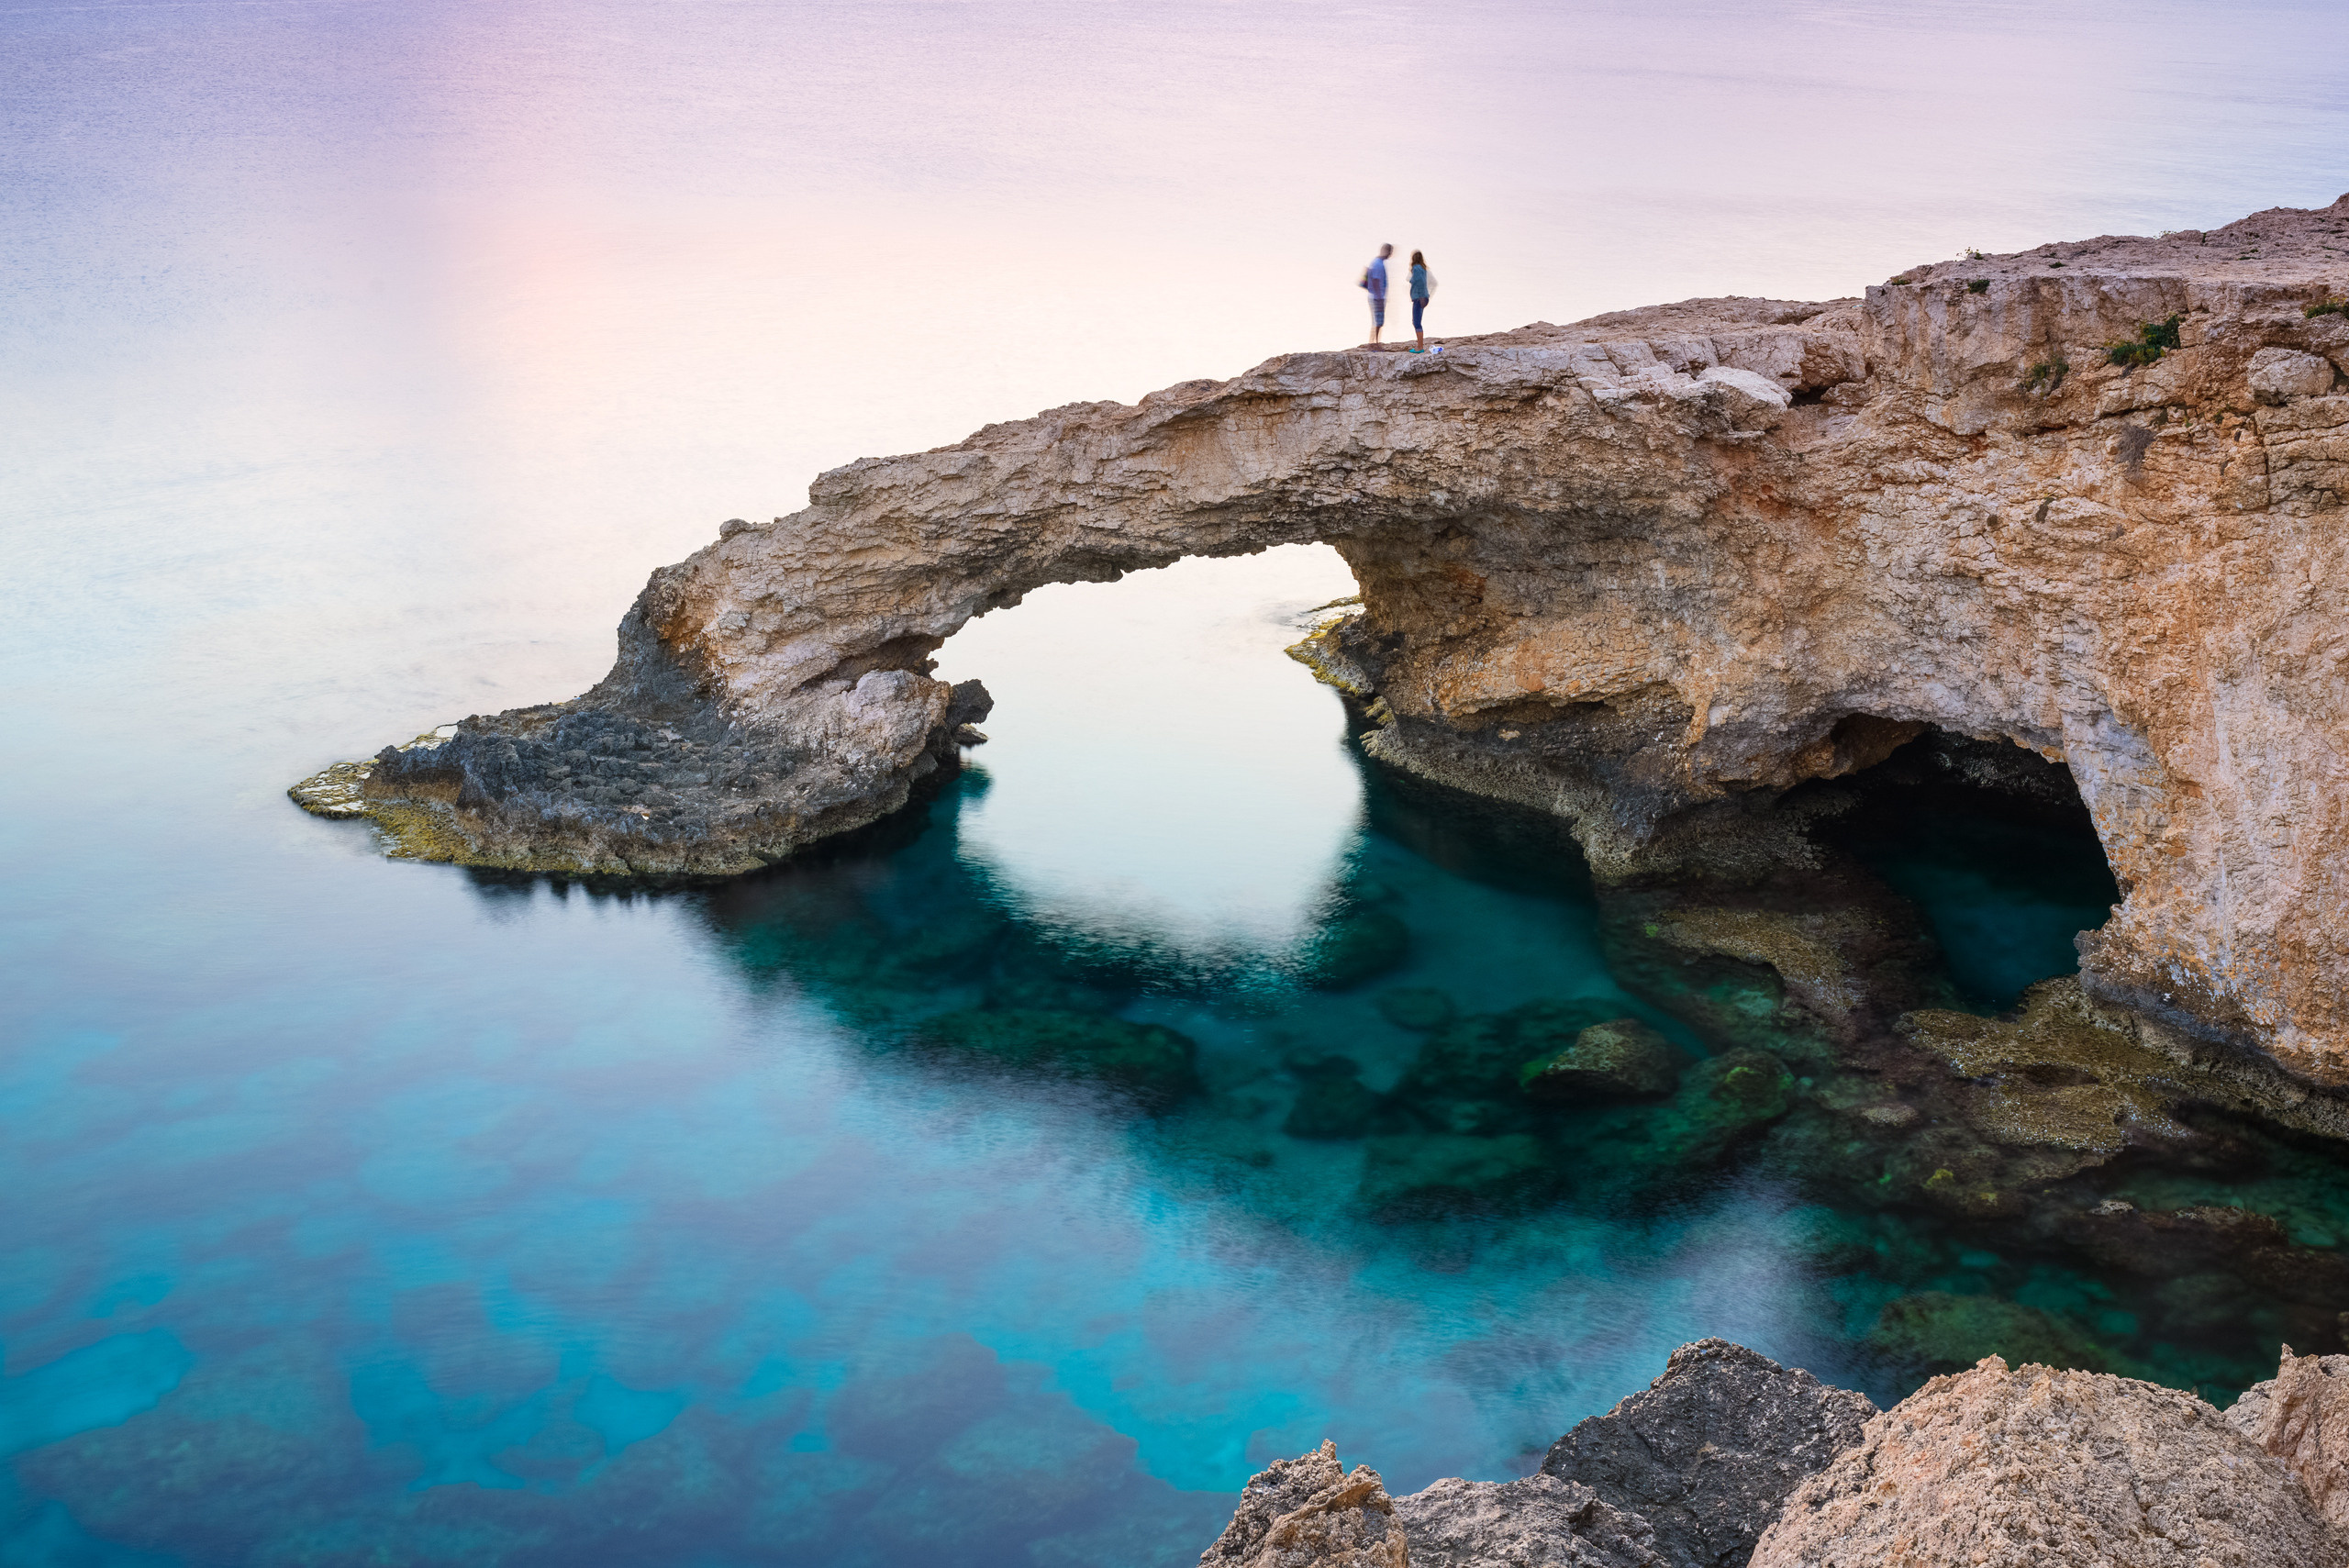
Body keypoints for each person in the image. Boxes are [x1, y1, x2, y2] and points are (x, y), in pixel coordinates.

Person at [1358, 243, 1393, 348]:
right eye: (1390, 252)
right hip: (1377, 297)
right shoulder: (1378, 264)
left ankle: (1374, 342)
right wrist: (1379, 296)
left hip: (1375, 296)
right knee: (1378, 321)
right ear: (1386, 251)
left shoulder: (1376, 262)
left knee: (1377, 321)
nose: (1390, 255)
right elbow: (1376, 280)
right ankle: (1374, 343)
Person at [1408, 250, 1435, 352]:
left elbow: (1420, 282)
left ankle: (1420, 347)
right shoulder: (1423, 269)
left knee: (1416, 322)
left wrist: (1421, 296)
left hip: (1419, 298)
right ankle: (1420, 345)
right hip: (1423, 297)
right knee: (1416, 322)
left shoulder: (1416, 268)